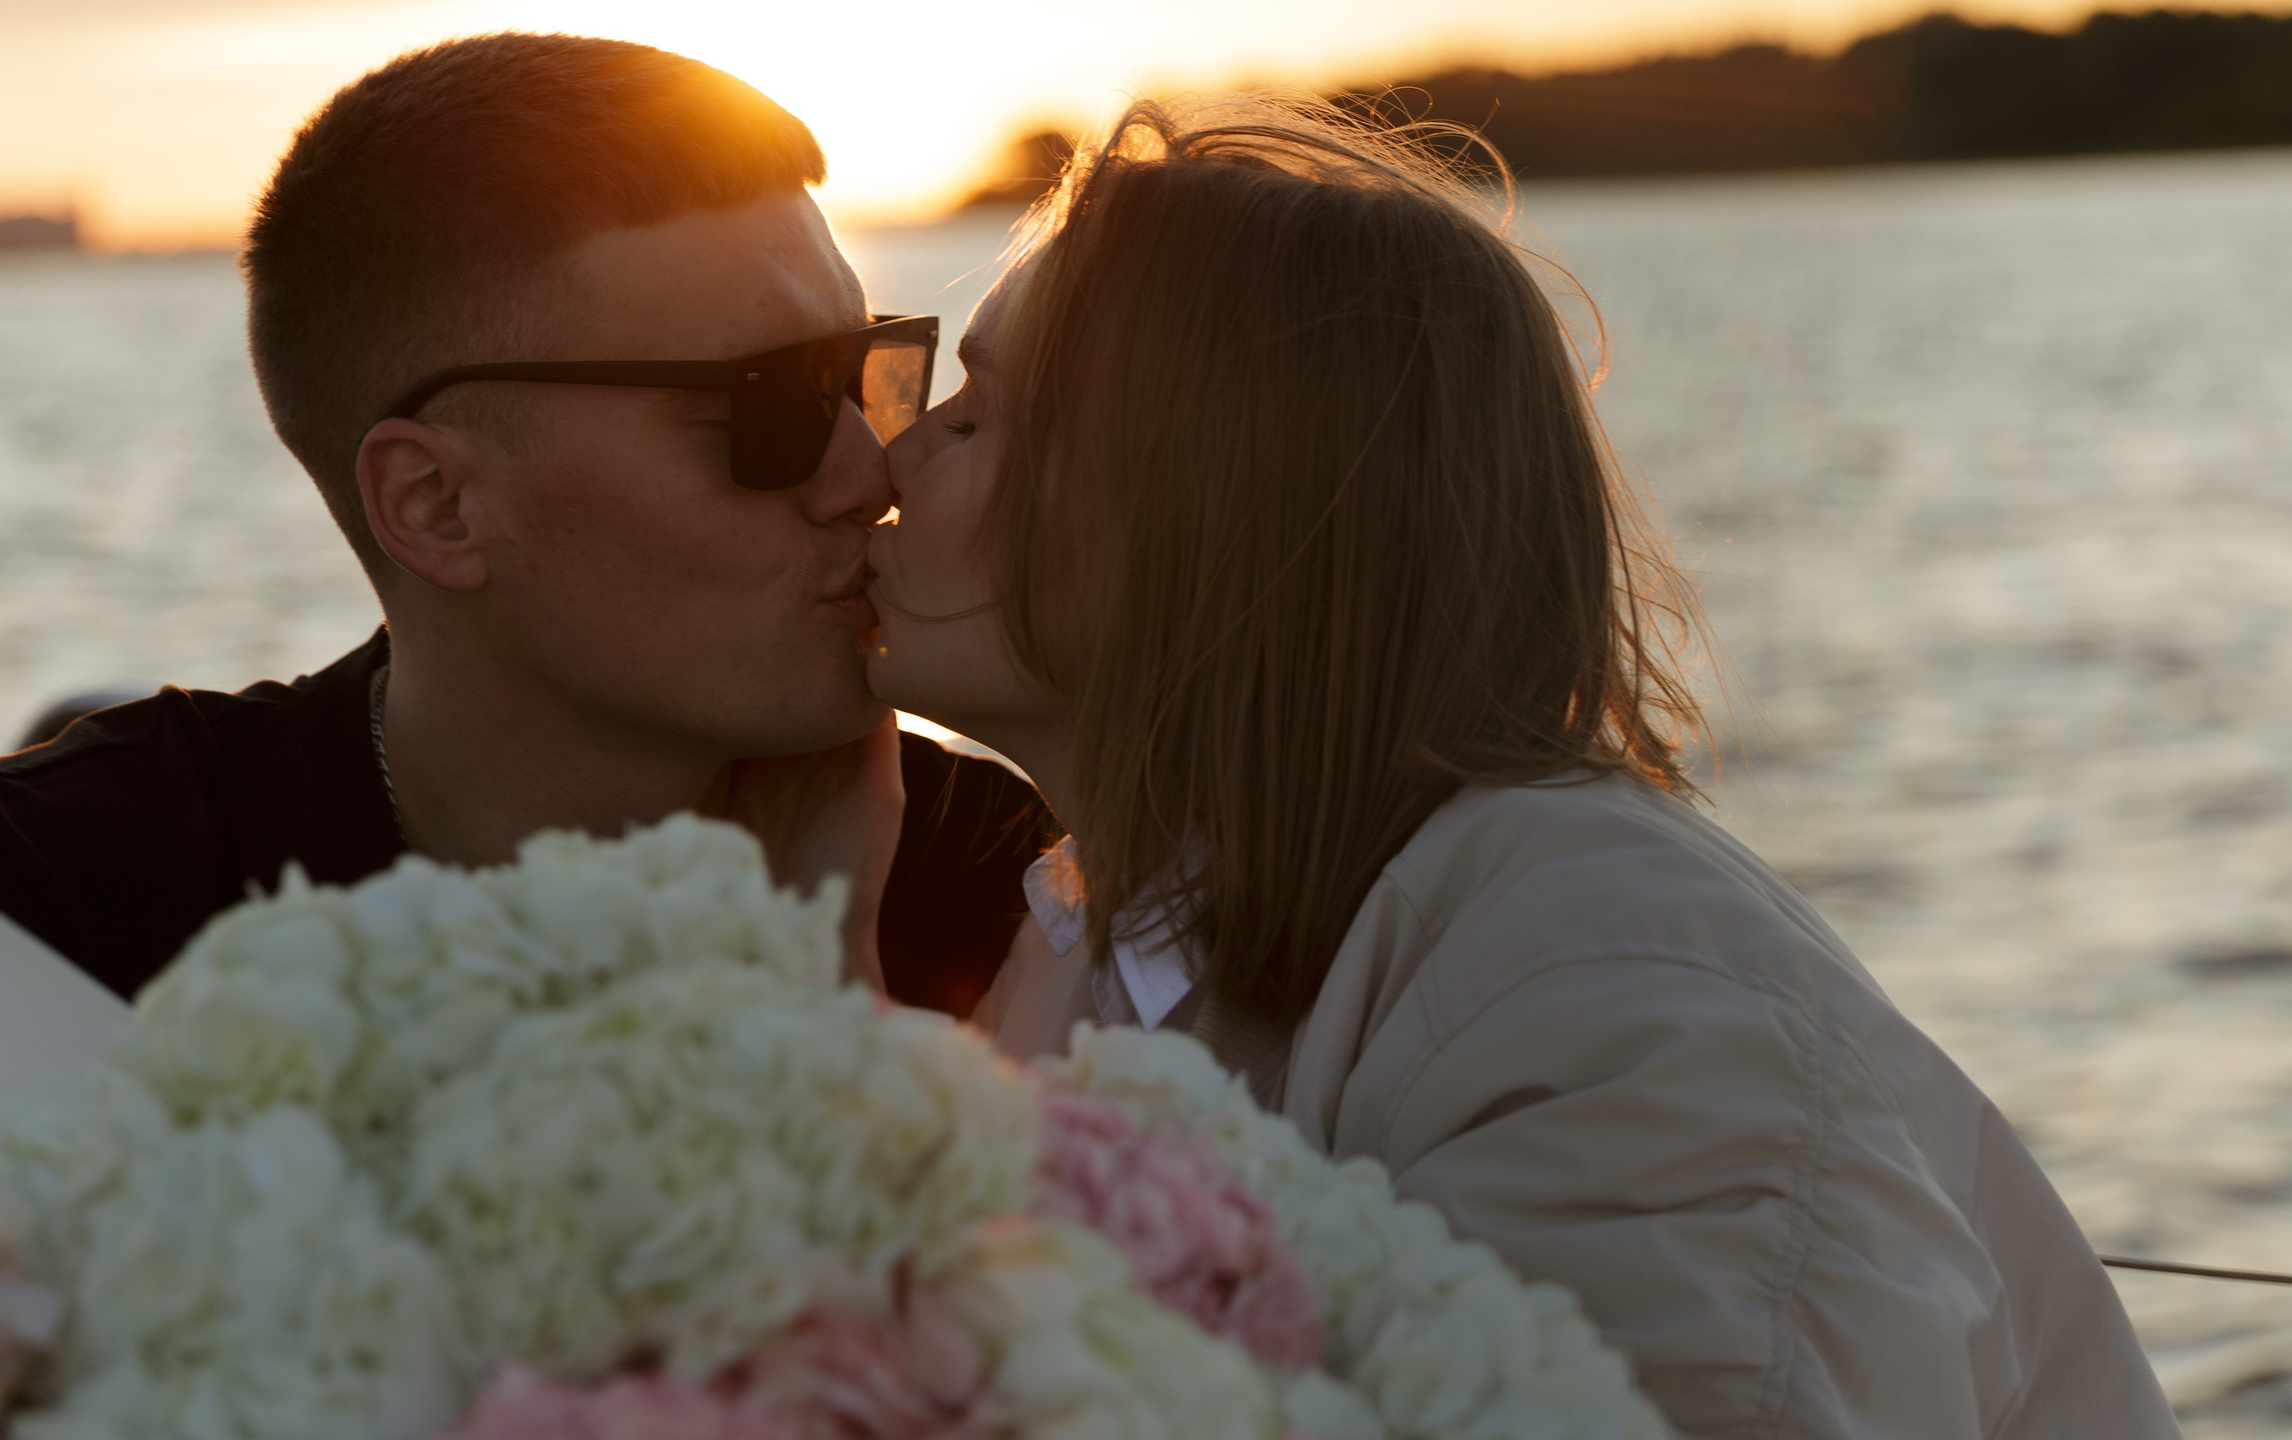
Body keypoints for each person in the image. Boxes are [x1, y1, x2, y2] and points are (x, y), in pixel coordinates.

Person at [867, 98, 2183, 1437]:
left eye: (979, 419)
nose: (889, 459)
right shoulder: (1110, 944)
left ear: (1201, 504)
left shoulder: (1620, 1009)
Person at [0, 34, 1043, 1014]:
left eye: (868, 373)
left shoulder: (1022, 895)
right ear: (436, 506)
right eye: (771, 407)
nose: (872, 469)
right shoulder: (59, 917)